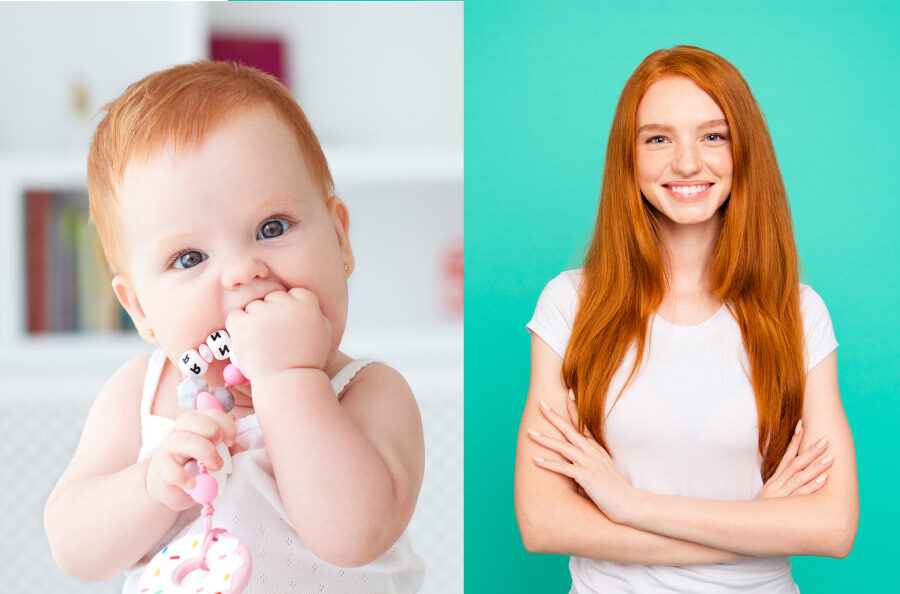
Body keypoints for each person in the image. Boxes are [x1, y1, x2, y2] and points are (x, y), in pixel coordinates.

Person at [44, 61, 425, 593]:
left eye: (272, 228)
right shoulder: (141, 393)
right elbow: (74, 548)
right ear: (141, 310)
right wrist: (150, 488)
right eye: (189, 257)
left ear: (340, 240)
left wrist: (288, 377)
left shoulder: (367, 391)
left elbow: (353, 535)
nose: (243, 271)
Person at [514, 45, 858, 592]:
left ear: (744, 150)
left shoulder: (797, 312)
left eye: (712, 136)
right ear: (629, 158)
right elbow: (542, 522)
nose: (687, 163)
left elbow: (833, 527)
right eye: (658, 138)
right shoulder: (570, 304)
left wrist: (629, 504)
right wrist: (753, 527)